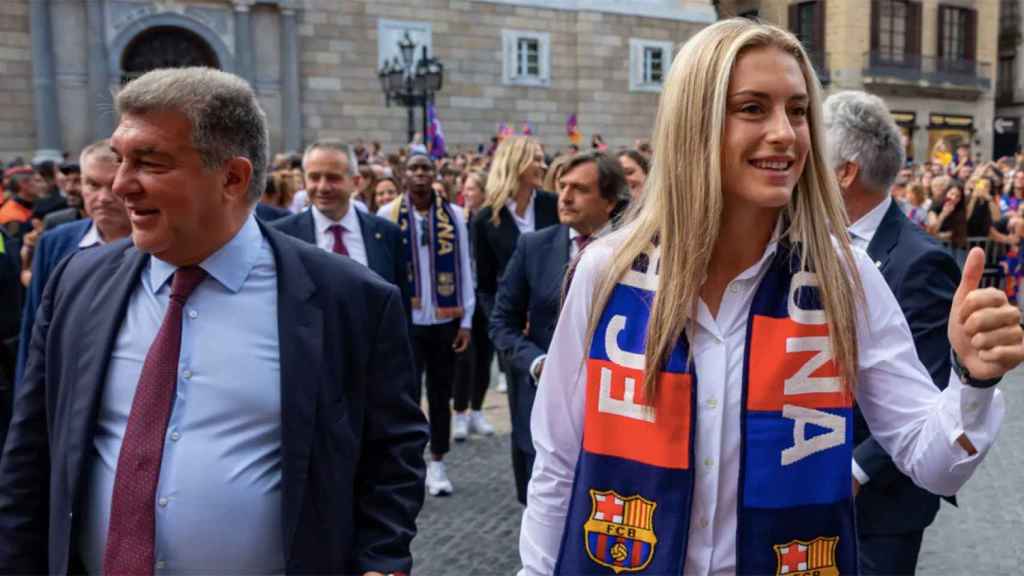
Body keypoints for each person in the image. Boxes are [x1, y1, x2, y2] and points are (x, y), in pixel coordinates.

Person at [519, 19, 1019, 576]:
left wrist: (973, 382)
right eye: (753, 108)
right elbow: (559, 462)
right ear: (695, 123)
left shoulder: (843, 276)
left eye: (799, 110)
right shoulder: (606, 272)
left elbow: (934, 464)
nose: (786, 132)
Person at [0, 67, 428, 575]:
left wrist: (380, 562)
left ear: (233, 177)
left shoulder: (350, 301)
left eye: (150, 163)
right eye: (119, 160)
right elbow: (30, 457)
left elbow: (392, 456)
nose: (119, 186)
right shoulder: (78, 282)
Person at [825, 90, 963, 575]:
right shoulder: (810, 243)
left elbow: (927, 384)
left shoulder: (919, 260)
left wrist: (855, 471)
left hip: (878, 503)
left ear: (844, 172)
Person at [490, 151, 624, 505]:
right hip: (541, 404)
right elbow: (502, 322)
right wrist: (536, 363)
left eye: (579, 189)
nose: (564, 197)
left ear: (609, 201)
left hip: (613, 411)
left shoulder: (635, 250)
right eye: (562, 186)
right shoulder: (533, 246)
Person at [379, 153, 474, 497]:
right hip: (407, 319)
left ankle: (438, 461)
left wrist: (467, 319)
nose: (420, 174)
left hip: (444, 319)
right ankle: (406, 462)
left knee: (439, 391)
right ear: (405, 175)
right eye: (414, 169)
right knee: (405, 394)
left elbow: (464, 266)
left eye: (425, 169)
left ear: (434, 175)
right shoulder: (387, 214)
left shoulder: (455, 217)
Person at [13, 139, 132, 388]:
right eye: (92, 184)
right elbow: (34, 334)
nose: (103, 198)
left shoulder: (161, 246)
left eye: (113, 186)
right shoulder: (55, 243)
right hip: (67, 387)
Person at [272, 141, 410, 314]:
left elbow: (400, 308)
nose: (323, 187)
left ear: (356, 182)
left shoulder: (387, 233)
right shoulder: (280, 236)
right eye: (314, 177)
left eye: (333, 178)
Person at [453, 170, 496, 441]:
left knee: (484, 358)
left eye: (472, 189)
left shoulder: (493, 221)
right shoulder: (457, 219)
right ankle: (459, 412)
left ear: (483, 192)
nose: (467, 194)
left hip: (486, 297)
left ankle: (477, 410)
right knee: (464, 359)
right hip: (464, 297)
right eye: (465, 189)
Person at [41, 162, 85, 230]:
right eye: (67, 181)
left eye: (78, 181)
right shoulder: (55, 221)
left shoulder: (105, 221)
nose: (69, 188)